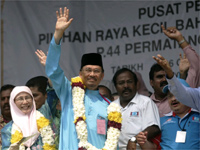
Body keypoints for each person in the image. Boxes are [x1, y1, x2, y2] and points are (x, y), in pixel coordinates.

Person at [45, 7, 122, 150]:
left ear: (102, 76)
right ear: (80, 73)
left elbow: (112, 142)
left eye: (96, 71)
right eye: (88, 70)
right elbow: (52, 69)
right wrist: (58, 34)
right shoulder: (68, 92)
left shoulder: (108, 106)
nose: (92, 74)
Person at [137, 79, 200, 150]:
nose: (173, 99)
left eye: (177, 95)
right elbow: (153, 147)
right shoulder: (162, 121)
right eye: (170, 96)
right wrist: (143, 141)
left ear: (188, 95)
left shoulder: (198, 116)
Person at [112, 68, 160, 150]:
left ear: (136, 84)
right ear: (116, 87)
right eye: (121, 83)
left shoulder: (145, 102)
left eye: (129, 82)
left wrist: (134, 139)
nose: (126, 86)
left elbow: (154, 128)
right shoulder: (112, 106)